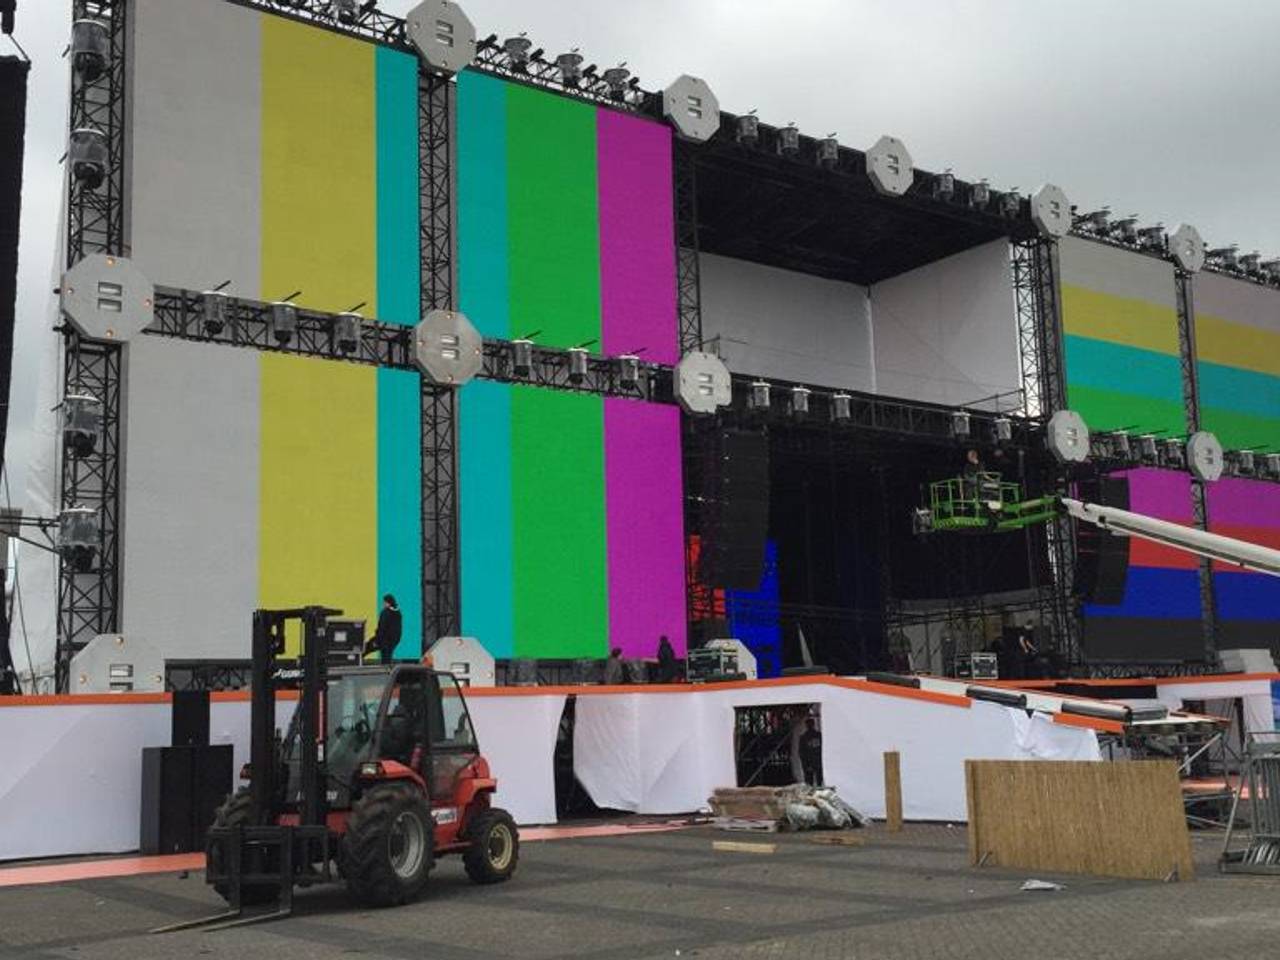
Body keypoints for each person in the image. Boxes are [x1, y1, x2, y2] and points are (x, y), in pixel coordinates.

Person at [365, 594, 402, 663]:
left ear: (388, 603)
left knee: (366, 648)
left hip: (382, 639)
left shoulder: (385, 612)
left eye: (384, 602)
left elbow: (382, 627)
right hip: (393, 640)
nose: (383, 604)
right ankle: (387, 670)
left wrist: (377, 639)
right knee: (387, 657)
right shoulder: (398, 613)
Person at [798, 717, 823, 786]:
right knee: (818, 781)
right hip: (817, 762)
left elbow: (801, 752)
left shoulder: (803, 737)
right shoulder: (819, 735)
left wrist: (805, 764)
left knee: (810, 782)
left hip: (811, 762)